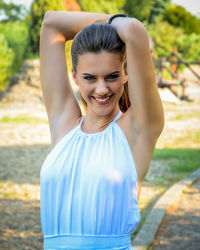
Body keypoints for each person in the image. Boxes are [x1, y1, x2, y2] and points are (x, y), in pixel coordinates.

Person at [39, 11, 164, 250]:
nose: (101, 89)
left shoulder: (139, 129)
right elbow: (52, 24)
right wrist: (112, 23)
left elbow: (135, 30)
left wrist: (124, 28)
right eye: (89, 78)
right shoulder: (64, 125)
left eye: (112, 76)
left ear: (126, 74)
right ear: (74, 76)